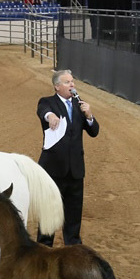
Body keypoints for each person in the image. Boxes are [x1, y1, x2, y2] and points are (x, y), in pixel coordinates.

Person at [36, 70, 99, 246]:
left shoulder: (80, 105)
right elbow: (43, 111)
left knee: (73, 214)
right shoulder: (48, 102)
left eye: (72, 82)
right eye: (67, 82)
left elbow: (94, 132)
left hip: (76, 171)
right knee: (48, 214)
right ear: (57, 86)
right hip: (53, 170)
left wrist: (90, 116)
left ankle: (73, 249)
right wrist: (51, 117)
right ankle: (43, 249)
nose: (72, 85)